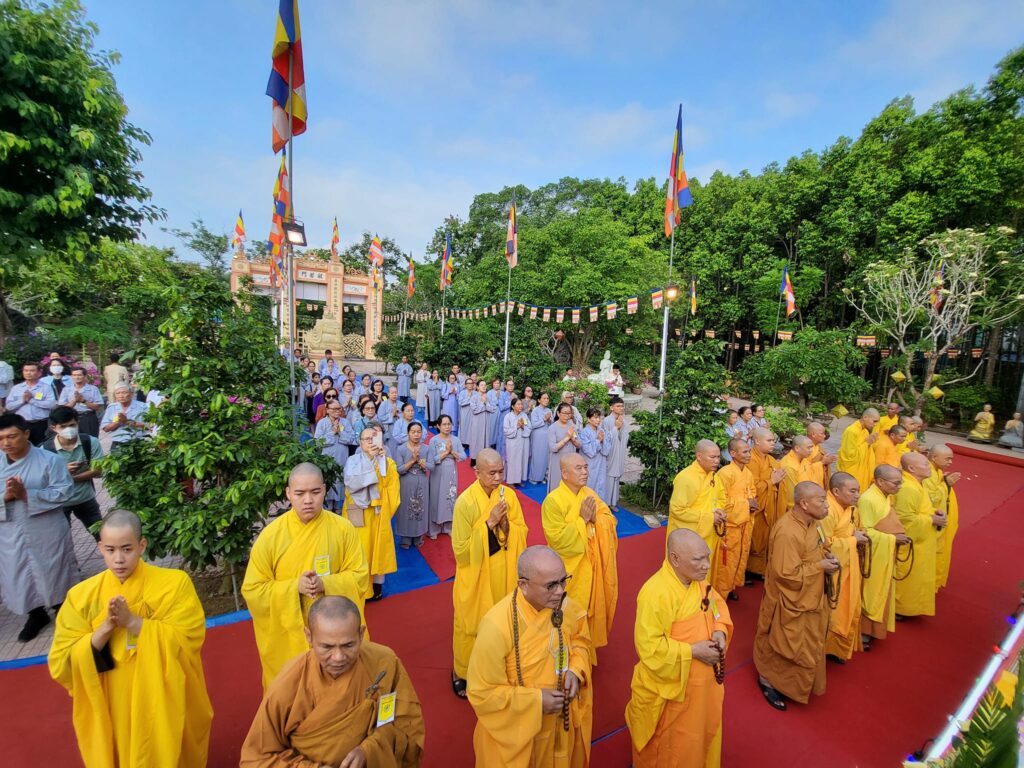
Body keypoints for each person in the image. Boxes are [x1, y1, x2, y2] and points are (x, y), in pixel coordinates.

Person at [49, 510, 213, 766]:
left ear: (142, 545)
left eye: (127, 549)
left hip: (161, 696)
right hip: (112, 700)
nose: (119, 559)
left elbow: (189, 638)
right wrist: (104, 629)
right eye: (110, 550)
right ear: (100, 547)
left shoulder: (174, 583)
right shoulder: (81, 597)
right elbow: (61, 663)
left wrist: (134, 623)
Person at [240, 596, 424, 768]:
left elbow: (405, 723)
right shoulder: (288, 684)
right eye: (326, 647)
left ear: (361, 634)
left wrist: (368, 750)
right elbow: (256, 758)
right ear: (309, 637)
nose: (338, 657)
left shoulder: (383, 662)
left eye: (348, 645)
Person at [242, 463, 369, 689]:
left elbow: (359, 575)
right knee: (293, 695)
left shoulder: (343, 529)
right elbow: (252, 590)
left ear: (325, 489)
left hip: (334, 635)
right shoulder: (270, 537)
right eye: (300, 493)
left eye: (315, 492)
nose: (308, 500)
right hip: (290, 638)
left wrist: (326, 583)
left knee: (341, 691)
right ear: (288, 493)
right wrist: (293, 588)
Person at [466, 546, 593, 767]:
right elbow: (481, 693)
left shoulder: (564, 606)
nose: (560, 591)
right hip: (517, 736)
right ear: (523, 585)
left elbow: (581, 640)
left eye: (564, 581)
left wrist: (575, 670)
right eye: (551, 585)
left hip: (559, 725)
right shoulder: (496, 627)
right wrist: (535, 702)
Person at [626, 529, 733, 768]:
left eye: (707, 556)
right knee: (669, 748)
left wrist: (719, 630)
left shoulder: (699, 583)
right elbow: (649, 648)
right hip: (673, 691)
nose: (707, 565)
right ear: (675, 559)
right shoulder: (655, 593)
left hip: (703, 691)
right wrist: (693, 651)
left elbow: (716, 606)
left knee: (699, 738)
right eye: (698, 559)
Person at [754, 481, 838, 711]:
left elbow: (821, 547)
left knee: (805, 643)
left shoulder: (814, 524)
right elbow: (785, 574)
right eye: (821, 500)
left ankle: (794, 683)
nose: (826, 505)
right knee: (781, 642)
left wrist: (827, 559)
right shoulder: (788, 531)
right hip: (788, 599)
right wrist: (820, 567)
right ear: (804, 503)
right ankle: (768, 680)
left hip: (810, 595)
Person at [450, 449, 528, 698]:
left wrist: (507, 527)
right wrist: (489, 524)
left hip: (503, 570)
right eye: (492, 473)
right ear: (477, 473)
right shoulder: (466, 502)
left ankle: (497, 668)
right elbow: (460, 551)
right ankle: (461, 671)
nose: (497, 478)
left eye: (501, 472)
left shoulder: (509, 496)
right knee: (469, 624)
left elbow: (522, 531)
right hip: (476, 574)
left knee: (503, 622)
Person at [0, 412, 76, 641]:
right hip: (9, 531)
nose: (6, 443)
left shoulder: (49, 460)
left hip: (45, 528)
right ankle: (36, 615)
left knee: (54, 568)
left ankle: (63, 610)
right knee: (17, 572)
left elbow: (65, 491)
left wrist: (27, 495)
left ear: (26, 433)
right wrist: (6, 496)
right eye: (1, 438)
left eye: (12, 436)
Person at [542, 453, 619, 653]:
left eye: (586, 467)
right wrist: (582, 520)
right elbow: (558, 541)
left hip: (590, 565)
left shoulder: (589, 493)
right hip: (568, 571)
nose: (585, 472)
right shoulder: (553, 501)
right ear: (564, 474)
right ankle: (563, 654)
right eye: (579, 468)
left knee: (587, 614)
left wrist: (596, 518)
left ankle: (584, 653)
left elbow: (608, 518)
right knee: (566, 615)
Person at [343, 427, 400, 602]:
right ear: (360, 442)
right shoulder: (353, 460)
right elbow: (351, 482)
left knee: (378, 549)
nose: (370, 441)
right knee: (360, 549)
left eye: (373, 438)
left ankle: (376, 587)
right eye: (366, 438)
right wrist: (369, 459)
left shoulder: (387, 462)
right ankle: (360, 587)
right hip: (359, 512)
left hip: (379, 513)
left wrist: (384, 506)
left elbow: (393, 488)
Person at [857, 465, 909, 648]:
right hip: (873, 557)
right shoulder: (868, 499)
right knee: (870, 593)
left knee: (882, 591)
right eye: (896, 483)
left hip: (883, 554)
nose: (900, 486)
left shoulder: (884, 497)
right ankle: (862, 631)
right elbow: (864, 532)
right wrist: (892, 538)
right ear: (880, 481)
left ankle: (873, 629)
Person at [821, 472, 867, 663]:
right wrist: (852, 540)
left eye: (858, 491)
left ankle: (835, 647)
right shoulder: (827, 509)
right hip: (833, 568)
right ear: (836, 491)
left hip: (848, 565)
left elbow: (853, 528)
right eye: (853, 491)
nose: (857, 495)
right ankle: (823, 647)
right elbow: (823, 543)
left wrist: (856, 535)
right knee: (831, 609)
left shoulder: (848, 507)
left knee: (844, 607)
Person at [669, 439, 726, 587]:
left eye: (718, 457)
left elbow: (721, 497)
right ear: (699, 456)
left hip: (708, 532)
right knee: (687, 575)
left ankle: (703, 601)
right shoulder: (686, 478)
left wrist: (719, 511)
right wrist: (709, 517)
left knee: (705, 572)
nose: (716, 461)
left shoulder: (714, 476)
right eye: (712, 457)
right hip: (690, 537)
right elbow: (677, 510)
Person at [894, 452, 945, 618]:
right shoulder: (908, 488)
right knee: (908, 576)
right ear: (911, 468)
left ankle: (910, 607)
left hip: (922, 540)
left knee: (918, 577)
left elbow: (920, 509)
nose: (928, 467)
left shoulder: (916, 483)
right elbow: (905, 519)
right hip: (912, 542)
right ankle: (900, 608)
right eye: (925, 464)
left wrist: (934, 512)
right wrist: (931, 519)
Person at [44, 406, 104, 536]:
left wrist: (68, 478)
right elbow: (43, 479)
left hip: (86, 498)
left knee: (102, 536)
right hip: (60, 503)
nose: (69, 430)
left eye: (72, 425)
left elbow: (98, 471)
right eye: (63, 427)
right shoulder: (46, 450)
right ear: (54, 428)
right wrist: (64, 471)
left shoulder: (90, 442)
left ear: (78, 423)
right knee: (62, 540)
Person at [714, 437, 756, 600]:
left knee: (738, 557)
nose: (748, 454)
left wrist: (751, 503)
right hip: (729, 526)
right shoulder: (725, 473)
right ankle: (719, 593)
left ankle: (730, 586)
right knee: (726, 560)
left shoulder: (748, 473)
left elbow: (752, 492)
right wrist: (746, 504)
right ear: (733, 453)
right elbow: (719, 501)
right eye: (745, 451)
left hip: (743, 523)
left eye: (749, 451)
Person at [746, 428, 785, 578]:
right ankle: (749, 569)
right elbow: (751, 486)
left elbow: (780, 481)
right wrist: (771, 482)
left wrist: (778, 482)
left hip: (771, 503)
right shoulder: (750, 460)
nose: (772, 444)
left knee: (768, 535)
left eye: (773, 441)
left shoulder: (772, 460)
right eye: (769, 441)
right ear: (757, 441)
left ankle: (761, 568)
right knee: (755, 537)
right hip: (760, 506)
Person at [924, 445, 959, 590]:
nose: (950, 462)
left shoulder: (937, 471)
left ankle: (932, 582)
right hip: (931, 520)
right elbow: (931, 498)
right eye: (947, 459)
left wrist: (944, 481)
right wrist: (946, 484)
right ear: (933, 458)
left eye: (952, 459)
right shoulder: (929, 473)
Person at [426, 414, 465, 539]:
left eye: (449, 424)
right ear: (438, 426)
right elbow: (432, 460)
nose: (447, 427)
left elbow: (463, 457)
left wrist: (452, 451)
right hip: (437, 472)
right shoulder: (434, 440)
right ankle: (434, 529)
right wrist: (446, 453)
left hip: (451, 471)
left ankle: (448, 527)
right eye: (444, 424)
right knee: (436, 498)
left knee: (450, 498)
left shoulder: (456, 440)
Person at [395, 421, 429, 549]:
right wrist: (414, 460)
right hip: (406, 481)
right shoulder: (401, 449)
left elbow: (431, 466)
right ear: (408, 433)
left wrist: (423, 464)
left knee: (420, 508)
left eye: (418, 432)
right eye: (413, 432)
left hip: (421, 481)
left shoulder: (426, 448)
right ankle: (405, 538)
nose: (416, 435)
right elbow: (399, 469)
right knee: (406, 509)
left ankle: (418, 537)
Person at [5, 362, 58, 445]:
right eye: (26, 370)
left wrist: (32, 400)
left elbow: (51, 404)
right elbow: (9, 406)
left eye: (32, 370)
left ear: (39, 373)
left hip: (41, 424)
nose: (28, 373)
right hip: (22, 424)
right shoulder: (16, 388)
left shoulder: (46, 387)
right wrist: (22, 400)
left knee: (40, 446)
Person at [313, 399, 348, 511]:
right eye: (334, 409)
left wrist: (340, 433)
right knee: (329, 485)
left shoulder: (345, 422)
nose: (337, 411)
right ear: (327, 410)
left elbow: (352, 439)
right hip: (327, 461)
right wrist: (332, 432)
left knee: (340, 486)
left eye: (339, 408)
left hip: (342, 460)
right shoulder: (322, 423)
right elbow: (318, 441)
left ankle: (339, 510)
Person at [837, 408, 880, 494]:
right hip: (852, 471)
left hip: (862, 470)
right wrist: (866, 444)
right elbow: (849, 455)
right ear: (865, 417)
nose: (875, 425)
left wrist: (870, 444)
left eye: (877, 422)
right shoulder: (851, 431)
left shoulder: (865, 431)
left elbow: (868, 453)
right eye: (874, 421)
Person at [54, 368, 103, 440]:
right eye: (74, 375)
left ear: (85, 376)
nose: (77, 377)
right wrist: (74, 401)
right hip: (71, 418)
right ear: (71, 376)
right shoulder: (66, 389)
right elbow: (62, 408)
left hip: (88, 417)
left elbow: (97, 407)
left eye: (79, 375)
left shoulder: (93, 389)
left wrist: (83, 400)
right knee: (73, 440)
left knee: (90, 440)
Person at [602, 395, 630, 508]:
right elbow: (606, 438)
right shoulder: (607, 421)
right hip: (611, 453)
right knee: (609, 476)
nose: (621, 408)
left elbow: (625, 437)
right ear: (611, 408)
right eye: (618, 406)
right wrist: (616, 428)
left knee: (617, 475)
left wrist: (621, 427)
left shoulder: (624, 420)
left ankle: (613, 502)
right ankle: (606, 502)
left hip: (619, 451)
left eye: (622, 406)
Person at [547, 403, 580, 495]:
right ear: (558, 413)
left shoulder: (572, 425)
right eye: (564, 413)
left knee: (570, 486)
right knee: (557, 485)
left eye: (569, 413)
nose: (567, 416)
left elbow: (579, 444)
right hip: (558, 461)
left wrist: (573, 439)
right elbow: (553, 448)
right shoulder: (552, 428)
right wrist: (567, 438)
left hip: (571, 460)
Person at [778, 435, 815, 516]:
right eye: (809, 448)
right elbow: (792, 494)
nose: (811, 450)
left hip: (807, 500)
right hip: (797, 507)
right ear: (797, 448)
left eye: (812, 447)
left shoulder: (804, 460)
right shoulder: (789, 466)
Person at [579, 407, 611, 501]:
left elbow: (607, 450)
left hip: (601, 462)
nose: (598, 420)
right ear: (589, 419)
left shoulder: (601, 430)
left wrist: (603, 440)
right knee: (590, 484)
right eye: (595, 417)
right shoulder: (584, 432)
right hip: (590, 464)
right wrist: (598, 440)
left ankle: (599, 508)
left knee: (601, 485)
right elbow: (589, 451)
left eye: (599, 417)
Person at [503, 397, 532, 487]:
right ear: (513, 406)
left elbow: (529, 428)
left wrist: (523, 426)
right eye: (518, 404)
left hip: (523, 442)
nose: (521, 406)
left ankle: (519, 479)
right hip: (513, 442)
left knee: (522, 460)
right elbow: (506, 431)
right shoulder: (508, 416)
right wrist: (517, 426)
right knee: (512, 460)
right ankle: (511, 481)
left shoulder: (524, 416)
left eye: (521, 404)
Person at [529, 391, 553, 484]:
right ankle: (534, 477)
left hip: (547, 435)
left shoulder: (549, 410)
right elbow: (533, 424)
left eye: (547, 398)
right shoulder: (535, 410)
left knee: (545, 456)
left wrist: (549, 420)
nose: (546, 400)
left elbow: (552, 424)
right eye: (544, 398)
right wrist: (544, 419)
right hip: (538, 435)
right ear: (539, 400)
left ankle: (543, 476)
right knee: (537, 456)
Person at [805, 421, 836, 489]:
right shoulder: (805, 449)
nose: (824, 436)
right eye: (822, 433)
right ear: (813, 434)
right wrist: (823, 462)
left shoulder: (819, 448)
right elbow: (803, 470)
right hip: (809, 486)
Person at [467, 380, 491, 462]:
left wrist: (486, 403)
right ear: (477, 387)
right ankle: (474, 460)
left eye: (485, 385)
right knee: (476, 441)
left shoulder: (487, 397)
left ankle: (483, 460)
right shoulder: (474, 397)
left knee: (485, 441)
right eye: (482, 385)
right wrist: (482, 402)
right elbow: (474, 410)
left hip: (486, 422)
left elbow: (492, 409)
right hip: (477, 423)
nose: (484, 387)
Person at [377, 386, 402, 456]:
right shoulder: (383, 404)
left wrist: (398, 414)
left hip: (399, 428)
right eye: (392, 393)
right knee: (390, 448)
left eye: (396, 393)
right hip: (389, 429)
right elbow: (380, 417)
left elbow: (405, 416)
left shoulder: (401, 404)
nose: (394, 395)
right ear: (388, 394)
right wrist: (391, 415)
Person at [495, 379, 515, 458]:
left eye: (512, 385)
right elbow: (501, 407)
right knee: (502, 438)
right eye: (509, 385)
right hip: (503, 419)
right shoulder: (502, 394)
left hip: (513, 420)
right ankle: (500, 457)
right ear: (506, 386)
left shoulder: (515, 395)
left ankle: (509, 457)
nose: (511, 386)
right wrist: (510, 401)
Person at [458, 376, 474, 448]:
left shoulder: (476, 393)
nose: (470, 385)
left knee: (472, 428)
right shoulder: (462, 393)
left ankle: (471, 443)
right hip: (464, 413)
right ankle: (462, 444)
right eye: (468, 383)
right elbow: (461, 403)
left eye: (471, 383)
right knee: (464, 428)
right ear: (465, 385)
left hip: (473, 414)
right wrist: (469, 398)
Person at [486, 378, 503, 448]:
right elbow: (489, 403)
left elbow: (504, 403)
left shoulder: (503, 393)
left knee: (500, 428)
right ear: (492, 384)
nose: (497, 384)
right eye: (495, 383)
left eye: (498, 383)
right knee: (492, 428)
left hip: (501, 412)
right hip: (492, 413)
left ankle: (499, 444)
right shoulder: (489, 393)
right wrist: (497, 398)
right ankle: (491, 443)